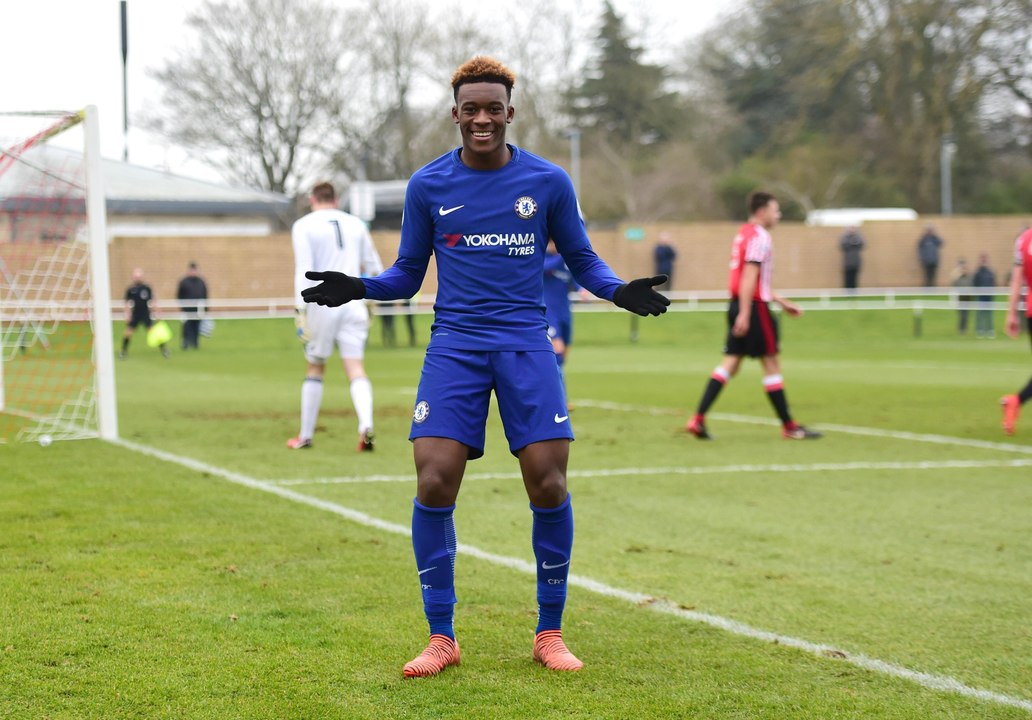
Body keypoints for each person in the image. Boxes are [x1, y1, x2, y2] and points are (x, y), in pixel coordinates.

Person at [301, 56, 669, 678]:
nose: (481, 118)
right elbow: (407, 275)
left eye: (492, 108)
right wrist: (358, 285)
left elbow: (582, 258)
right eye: (470, 108)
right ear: (455, 113)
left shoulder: (548, 182)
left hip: (526, 342)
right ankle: (441, 637)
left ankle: (548, 632)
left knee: (548, 481)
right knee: (434, 479)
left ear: (509, 113)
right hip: (456, 346)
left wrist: (616, 291)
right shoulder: (428, 187)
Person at [685, 191, 821, 441]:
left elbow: (752, 280)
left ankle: (698, 419)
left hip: (739, 303)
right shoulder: (760, 237)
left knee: (730, 364)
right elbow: (750, 277)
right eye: (775, 210)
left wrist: (781, 302)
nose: (778, 215)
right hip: (754, 308)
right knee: (771, 364)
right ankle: (789, 426)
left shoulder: (743, 234)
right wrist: (747, 315)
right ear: (762, 211)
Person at [289, 181, 384, 452]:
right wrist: (371, 302)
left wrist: (300, 310)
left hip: (322, 303)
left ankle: (305, 436)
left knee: (316, 366)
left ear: (312, 199)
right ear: (336, 199)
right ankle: (365, 426)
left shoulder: (304, 225)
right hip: (354, 302)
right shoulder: (356, 224)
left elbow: (304, 271)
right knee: (356, 368)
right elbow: (375, 267)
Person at [543, 239, 591, 403]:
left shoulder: (564, 263)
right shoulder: (542, 257)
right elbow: (546, 268)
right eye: (555, 243)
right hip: (548, 313)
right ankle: (560, 399)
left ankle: (555, 394)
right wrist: (564, 253)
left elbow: (574, 280)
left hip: (564, 312)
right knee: (557, 351)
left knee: (562, 358)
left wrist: (582, 290)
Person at [1001, 227, 1032, 435]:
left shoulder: (1023, 239)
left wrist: (1011, 314)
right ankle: (1016, 400)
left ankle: (1016, 401)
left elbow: (1016, 280)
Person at [119, 268, 168, 359]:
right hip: (135, 314)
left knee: (154, 333)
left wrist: (157, 312)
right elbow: (126, 303)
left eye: (139, 276)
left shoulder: (147, 288)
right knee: (128, 333)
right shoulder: (130, 289)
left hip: (145, 314)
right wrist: (127, 314)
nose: (138, 278)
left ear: (142, 277)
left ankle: (164, 350)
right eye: (136, 277)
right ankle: (123, 351)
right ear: (133, 278)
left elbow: (153, 301)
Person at [176, 261, 208, 350]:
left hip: (198, 309)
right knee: (186, 326)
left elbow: (205, 295)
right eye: (192, 270)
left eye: (195, 270)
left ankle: (195, 343)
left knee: (196, 326)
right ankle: (185, 342)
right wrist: (182, 307)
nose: (193, 272)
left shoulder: (201, 282)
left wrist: (205, 308)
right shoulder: (184, 282)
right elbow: (179, 295)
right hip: (187, 309)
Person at [972, 253, 997, 339]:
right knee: (980, 313)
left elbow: (993, 283)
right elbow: (974, 284)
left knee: (989, 314)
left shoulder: (991, 272)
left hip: (989, 296)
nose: (984, 261)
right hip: (981, 296)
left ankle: (990, 330)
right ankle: (980, 330)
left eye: (985, 259)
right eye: (982, 259)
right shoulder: (977, 272)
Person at [950, 258, 973, 334]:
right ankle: (961, 328)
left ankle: (964, 328)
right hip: (960, 299)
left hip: (967, 299)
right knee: (961, 314)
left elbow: (971, 286)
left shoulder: (969, 278)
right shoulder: (958, 278)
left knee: (966, 314)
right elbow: (954, 286)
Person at [838, 226, 864, 291]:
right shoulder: (845, 237)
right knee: (848, 278)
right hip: (847, 263)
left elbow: (862, 244)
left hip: (856, 262)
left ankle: (854, 292)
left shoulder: (858, 237)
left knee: (855, 278)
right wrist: (851, 243)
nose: (852, 230)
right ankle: (847, 292)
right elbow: (843, 245)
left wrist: (854, 242)